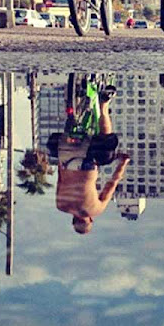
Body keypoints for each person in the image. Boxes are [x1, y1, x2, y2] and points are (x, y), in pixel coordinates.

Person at [50, 88, 130, 234]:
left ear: (90, 219)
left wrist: (123, 163)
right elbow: (60, 179)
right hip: (66, 158)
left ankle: (104, 106)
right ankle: (71, 110)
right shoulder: (61, 205)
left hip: (87, 163)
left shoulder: (96, 210)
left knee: (107, 146)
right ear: (73, 219)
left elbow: (112, 183)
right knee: (64, 136)